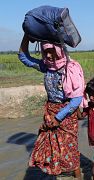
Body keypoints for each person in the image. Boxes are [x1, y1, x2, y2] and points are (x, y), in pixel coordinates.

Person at [18, 34, 86, 178]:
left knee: (70, 150)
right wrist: (26, 36)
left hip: (66, 115)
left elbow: (76, 99)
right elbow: (24, 58)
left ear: (60, 50)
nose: (48, 55)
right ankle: (54, 173)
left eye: (51, 51)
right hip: (51, 113)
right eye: (45, 51)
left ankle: (77, 176)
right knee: (51, 150)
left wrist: (58, 117)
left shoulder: (70, 68)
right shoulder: (47, 66)